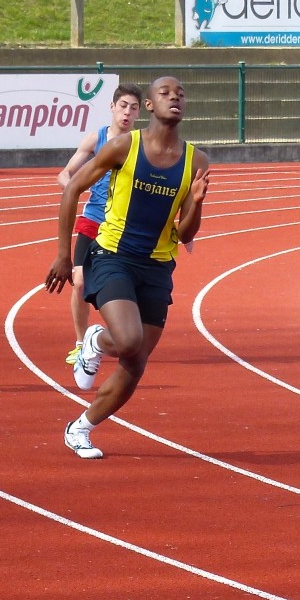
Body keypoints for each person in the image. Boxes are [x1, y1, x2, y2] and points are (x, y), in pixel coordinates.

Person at [46, 75, 210, 459]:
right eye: (166, 93)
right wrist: (62, 255)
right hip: (112, 258)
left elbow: (185, 233)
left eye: (181, 92)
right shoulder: (124, 147)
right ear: (148, 106)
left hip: (157, 268)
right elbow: (72, 189)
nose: (175, 97)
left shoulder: (196, 161)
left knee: (136, 362)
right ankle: (97, 340)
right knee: (129, 341)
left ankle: (81, 427)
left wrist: (197, 202)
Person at [56, 83, 142, 366]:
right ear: (112, 108)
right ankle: (81, 344)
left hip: (122, 225)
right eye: (123, 106)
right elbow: (65, 174)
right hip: (93, 219)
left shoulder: (141, 144)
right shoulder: (97, 138)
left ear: (139, 113)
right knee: (79, 282)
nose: (127, 113)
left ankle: (120, 334)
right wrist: (73, 189)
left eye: (133, 108)